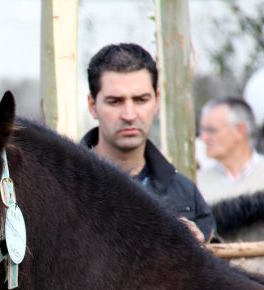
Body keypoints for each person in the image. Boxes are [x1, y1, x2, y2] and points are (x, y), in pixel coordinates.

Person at [81, 43, 216, 242]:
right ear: (93, 106)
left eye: (141, 99)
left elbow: (218, 269)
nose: (129, 115)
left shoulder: (184, 193)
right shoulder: (62, 187)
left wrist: (198, 253)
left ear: (157, 100)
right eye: (115, 101)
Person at [197, 96, 264, 203]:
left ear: (240, 130)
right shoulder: (197, 184)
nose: (203, 138)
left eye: (211, 130)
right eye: (202, 130)